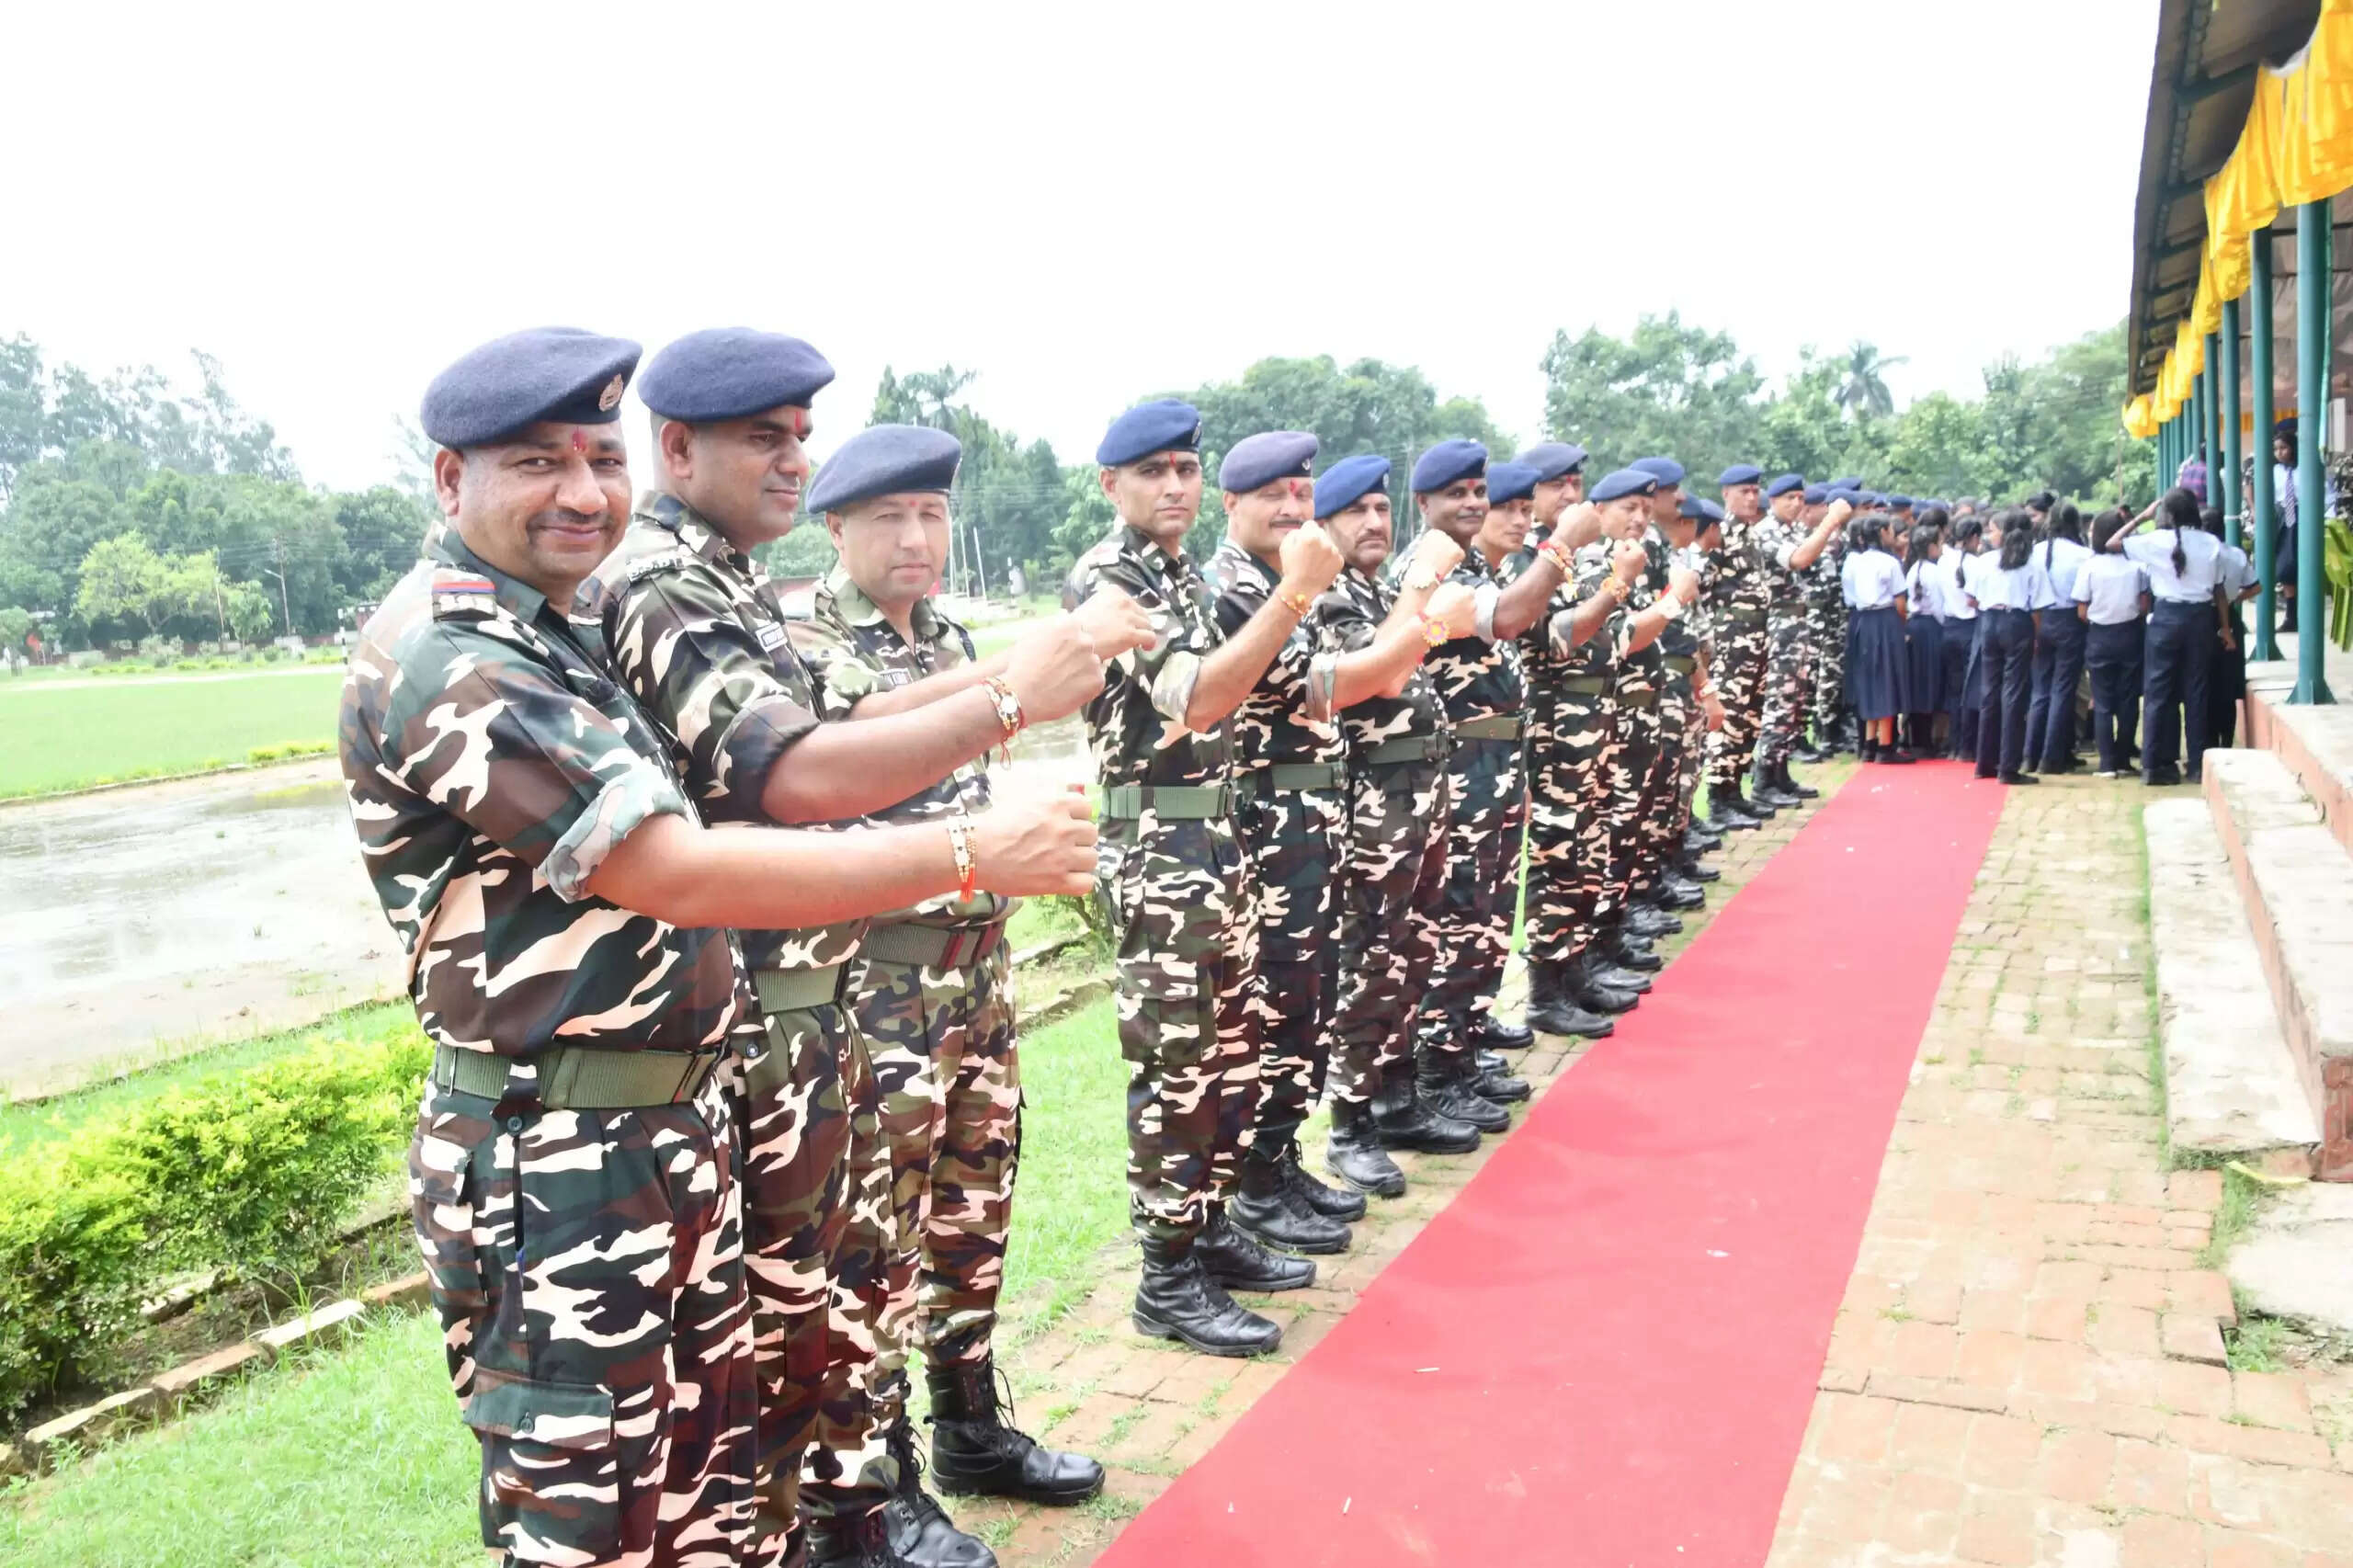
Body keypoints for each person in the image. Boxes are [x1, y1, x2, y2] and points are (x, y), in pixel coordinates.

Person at [347, 327, 1098, 1568]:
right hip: (555, 1158)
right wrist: (974, 846)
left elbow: (793, 730)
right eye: (538, 462)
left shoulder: (562, 628)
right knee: (593, 1527)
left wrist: (997, 691)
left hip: (665, 1126)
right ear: (449, 479)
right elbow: (676, 866)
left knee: (716, 1510)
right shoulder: (453, 652)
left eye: (598, 456)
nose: (584, 492)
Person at [593, 334, 1142, 1568]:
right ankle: (854, 1510)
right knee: (806, 1309)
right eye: (762, 439)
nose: (790, 459)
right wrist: (1008, 709)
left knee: (893, 1256)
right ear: (676, 449)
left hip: (833, 997)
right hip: (784, 1003)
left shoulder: (729, 580)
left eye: (799, 435)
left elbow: (835, 723)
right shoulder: (668, 581)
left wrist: (997, 679)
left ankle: (901, 1477)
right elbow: (794, 772)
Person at [789, 425, 1110, 1526]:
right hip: (878, 990)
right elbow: (850, 742)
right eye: (888, 516)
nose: (915, 537)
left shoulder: (950, 636)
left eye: (930, 513)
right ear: (835, 526)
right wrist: (1015, 683)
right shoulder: (804, 637)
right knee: (874, 1246)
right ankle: (877, 1485)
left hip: (977, 979)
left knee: (972, 1215)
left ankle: (969, 1423)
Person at [1064, 400, 1349, 1358]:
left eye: (1186, 467)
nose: (1176, 486)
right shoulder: (1109, 579)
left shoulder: (1176, 572)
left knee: (1229, 1053)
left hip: (1214, 839)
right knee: (1175, 1066)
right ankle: (1165, 1272)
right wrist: (1295, 593)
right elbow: (1199, 698)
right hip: (1156, 848)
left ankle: (1211, 1223)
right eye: (1153, 471)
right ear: (1111, 485)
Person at [1199, 429, 1361, 1255]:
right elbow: (1308, 688)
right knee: (1274, 1004)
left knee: (1308, 999)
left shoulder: (1283, 583)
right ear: (1232, 506)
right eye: (1274, 496)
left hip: (1308, 819)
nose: (1294, 509)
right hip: (1266, 821)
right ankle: (1257, 1182)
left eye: (1302, 494)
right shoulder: (1235, 589)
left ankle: (1279, 1156)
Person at [1311, 453, 1484, 1193]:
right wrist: (1423, 589)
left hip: (1418, 797)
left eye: (1382, 510)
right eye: (1357, 512)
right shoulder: (1326, 597)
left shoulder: (1372, 588)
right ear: (1323, 526)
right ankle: (1351, 1123)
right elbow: (1380, 672)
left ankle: (1396, 1094)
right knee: (1368, 961)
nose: (1375, 523)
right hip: (1368, 808)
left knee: (1414, 952)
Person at [1407, 443, 1586, 1119]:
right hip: (1457, 772)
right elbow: (1508, 618)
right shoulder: (1425, 573)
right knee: (1458, 920)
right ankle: (1439, 1067)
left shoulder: (1474, 567)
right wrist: (1563, 546)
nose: (1478, 507)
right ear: (1423, 504)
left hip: (1492, 768)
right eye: (1460, 494)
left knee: (1484, 920)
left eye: (1481, 493)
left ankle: (1464, 1047)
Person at [1505, 446, 1635, 1038]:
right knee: (1559, 856)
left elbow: (1610, 636)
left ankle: (1575, 968)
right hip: (1555, 724)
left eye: (1576, 483)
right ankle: (1544, 990)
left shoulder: (1580, 556)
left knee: (1588, 848)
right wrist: (1617, 586)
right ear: (1530, 497)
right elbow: (1558, 636)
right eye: (1556, 486)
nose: (1570, 495)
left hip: (1593, 717)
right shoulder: (1525, 559)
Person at [2104, 486, 2229, 786]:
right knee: (2197, 692)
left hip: (2165, 620)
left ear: (2167, 514)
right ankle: (2197, 764)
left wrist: (2141, 518)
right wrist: (2224, 627)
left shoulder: (2154, 541)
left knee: (2157, 693)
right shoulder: (2212, 543)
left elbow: (2111, 543)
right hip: (2200, 619)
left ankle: (2152, 765)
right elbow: (2219, 591)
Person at [1701, 464, 1785, 820]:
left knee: (1751, 715)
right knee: (1732, 716)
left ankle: (1735, 788)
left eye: (1755, 491)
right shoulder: (1719, 534)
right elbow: (1702, 587)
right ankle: (1719, 795)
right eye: (1744, 492)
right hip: (1731, 641)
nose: (1752, 498)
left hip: (1756, 638)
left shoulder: (1752, 536)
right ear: (1726, 494)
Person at [1751, 477, 1837, 790]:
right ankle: (1764, 779)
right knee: (1778, 702)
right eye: (1789, 497)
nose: (1797, 504)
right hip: (1778, 624)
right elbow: (1799, 559)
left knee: (1794, 701)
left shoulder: (1795, 530)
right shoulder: (1765, 531)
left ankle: (1781, 772)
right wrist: (1830, 523)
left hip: (1797, 623)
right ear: (1772, 501)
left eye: (1800, 498)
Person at [2075, 508, 2150, 778]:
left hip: (2100, 636)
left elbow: (2082, 611)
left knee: (2103, 700)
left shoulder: (2089, 567)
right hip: (2131, 635)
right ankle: (2123, 759)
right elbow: (2144, 606)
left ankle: (2106, 763)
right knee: (2129, 700)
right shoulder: (2137, 568)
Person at [1970, 507, 2040, 786]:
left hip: (1989, 621)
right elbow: (2039, 605)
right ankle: (2008, 767)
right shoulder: (2031, 563)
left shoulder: (1985, 560)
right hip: (2018, 622)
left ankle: (1984, 762)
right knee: (2014, 694)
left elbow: (1971, 598)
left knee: (1990, 692)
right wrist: (2034, 635)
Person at [1840, 510, 1913, 763]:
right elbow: (1901, 603)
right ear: (1883, 533)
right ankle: (1886, 746)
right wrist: (1901, 626)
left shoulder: (1855, 562)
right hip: (1885, 620)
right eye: (1891, 531)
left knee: (1869, 679)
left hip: (1862, 621)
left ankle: (1869, 743)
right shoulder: (1889, 562)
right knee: (1887, 679)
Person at [2027, 502, 2091, 774]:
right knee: (2063, 689)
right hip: (2070, 622)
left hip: (2039, 620)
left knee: (2040, 690)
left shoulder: (2033, 552)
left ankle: (2031, 754)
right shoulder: (2083, 555)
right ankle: (2053, 756)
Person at [1900, 520, 1948, 756]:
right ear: (1931, 547)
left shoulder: (1912, 569)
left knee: (1917, 682)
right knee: (1930, 681)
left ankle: (1915, 738)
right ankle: (1926, 741)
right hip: (1931, 628)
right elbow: (1939, 607)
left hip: (1915, 626)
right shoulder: (1934, 571)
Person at [1941, 513, 1986, 762]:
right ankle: (1969, 747)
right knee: (1972, 689)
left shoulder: (1943, 562)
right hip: (1970, 626)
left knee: (1954, 688)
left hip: (1949, 627)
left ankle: (1954, 744)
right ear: (1975, 538)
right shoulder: (1976, 564)